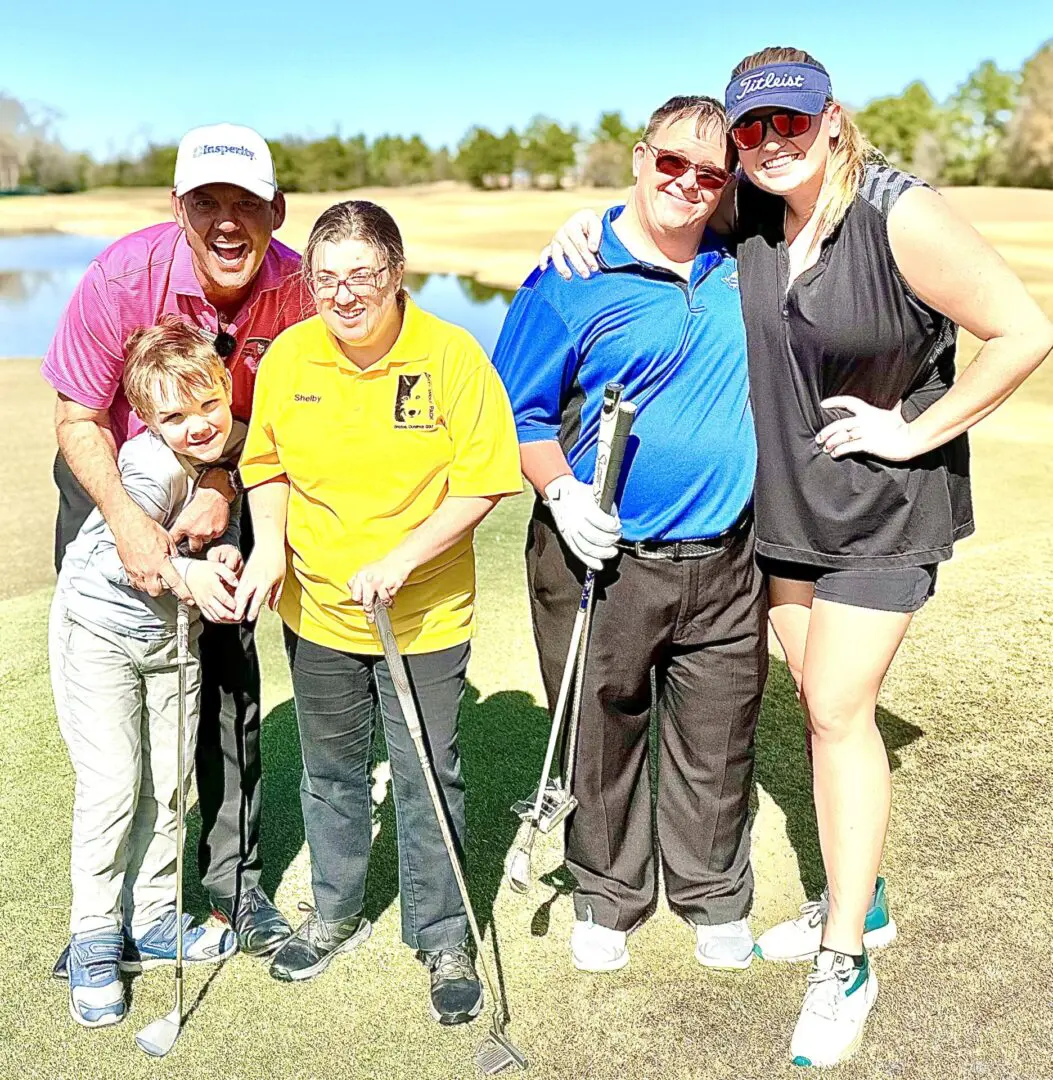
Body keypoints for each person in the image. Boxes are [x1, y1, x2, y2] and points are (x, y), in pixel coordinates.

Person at [540, 48, 1053, 1069]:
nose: (769, 143)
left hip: (884, 512)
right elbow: (658, 214)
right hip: (785, 519)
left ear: (831, 120)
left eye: (789, 123)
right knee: (819, 706)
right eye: (751, 129)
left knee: (833, 709)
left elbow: (1023, 329)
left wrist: (915, 431)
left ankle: (844, 957)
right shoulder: (751, 215)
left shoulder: (898, 212)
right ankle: (865, 896)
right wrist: (587, 228)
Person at [491, 96, 768, 975]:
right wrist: (561, 488)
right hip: (597, 558)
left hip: (728, 553)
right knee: (597, 730)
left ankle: (712, 892)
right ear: (641, 159)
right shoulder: (568, 276)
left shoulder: (746, 263)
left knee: (717, 733)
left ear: (728, 185)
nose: (687, 183)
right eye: (671, 164)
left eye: (710, 172)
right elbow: (515, 410)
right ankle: (608, 896)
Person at [232, 200, 522, 1023]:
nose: (344, 293)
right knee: (330, 775)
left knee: (430, 775)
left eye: (362, 275)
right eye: (326, 277)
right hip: (316, 609)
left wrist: (402, 557)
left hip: (424, 614)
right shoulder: (290, 356)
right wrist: (268, 550)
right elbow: (267, 464)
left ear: (396, 274)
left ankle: (441, 935)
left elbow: (484, 478)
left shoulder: (451, 355)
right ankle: (333, 913)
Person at [42, 123, 309, 962]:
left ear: (276, 207)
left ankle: (231, 891)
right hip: (111, 482)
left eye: (246, 204)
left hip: (224, 478)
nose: (227, 223)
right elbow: (77, 416)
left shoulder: (300, 287)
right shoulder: (123, 275)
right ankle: (106, 915)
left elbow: (285, 429)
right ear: (178, 207)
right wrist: (129, 524)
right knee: (112, 701)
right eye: (206, 204)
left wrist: (221, 491)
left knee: (225, 688)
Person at [51, 320, 244, 1027]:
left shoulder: (203, 466)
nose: (197, 427)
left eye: (208, 407)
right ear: (146, 420)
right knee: (111, 788)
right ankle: (96, 934)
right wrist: (188, 571)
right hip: (99, 637)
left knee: (168, 783)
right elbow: (109, 559)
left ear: (226, 390)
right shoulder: (148, 467)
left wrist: (207, 562)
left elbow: (174, 557)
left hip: (169, 640)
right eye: (173, 416)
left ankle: (156, 921)